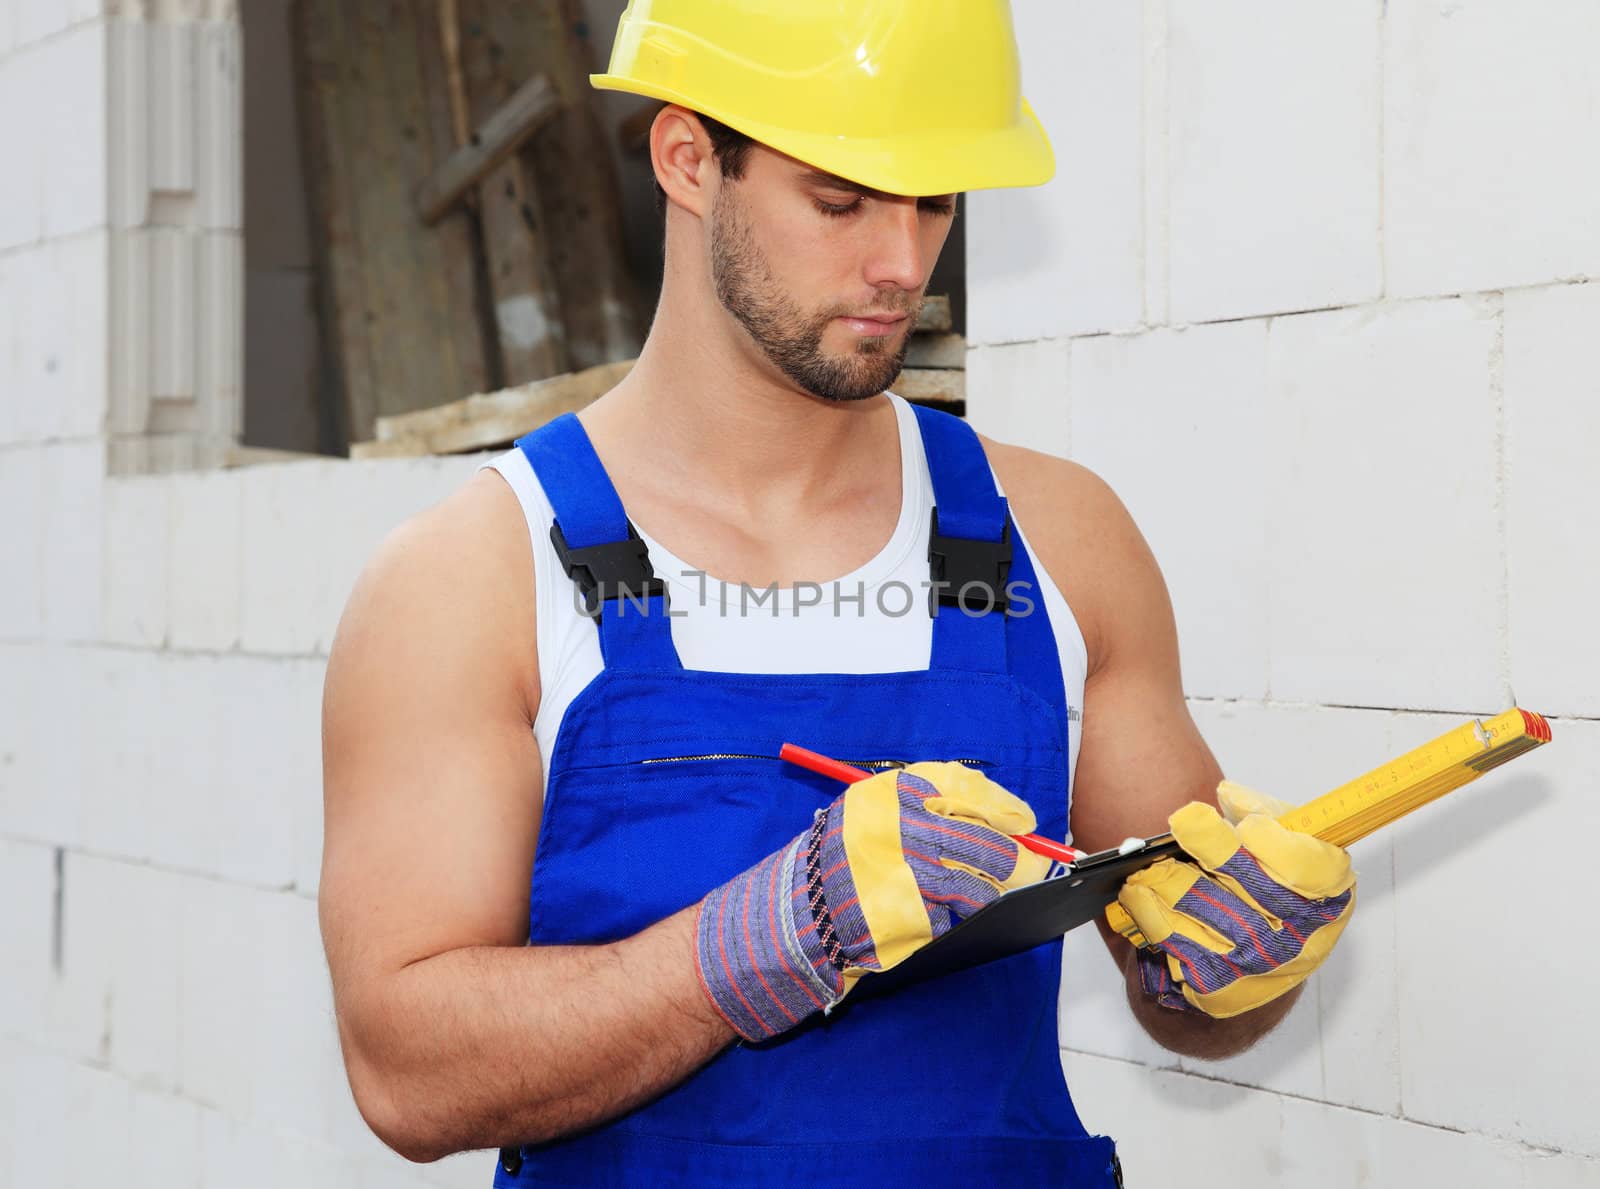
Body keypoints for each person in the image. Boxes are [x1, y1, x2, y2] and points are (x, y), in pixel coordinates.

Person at [318, 2, 1358, 1184]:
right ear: (688, 159)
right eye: (840, 199)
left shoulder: (1058, 541)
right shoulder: (474, 577)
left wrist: (1242, 963)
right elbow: (405, 1076)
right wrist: (753, 946)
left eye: (933, 201)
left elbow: (1185, 996)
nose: (901, 264)